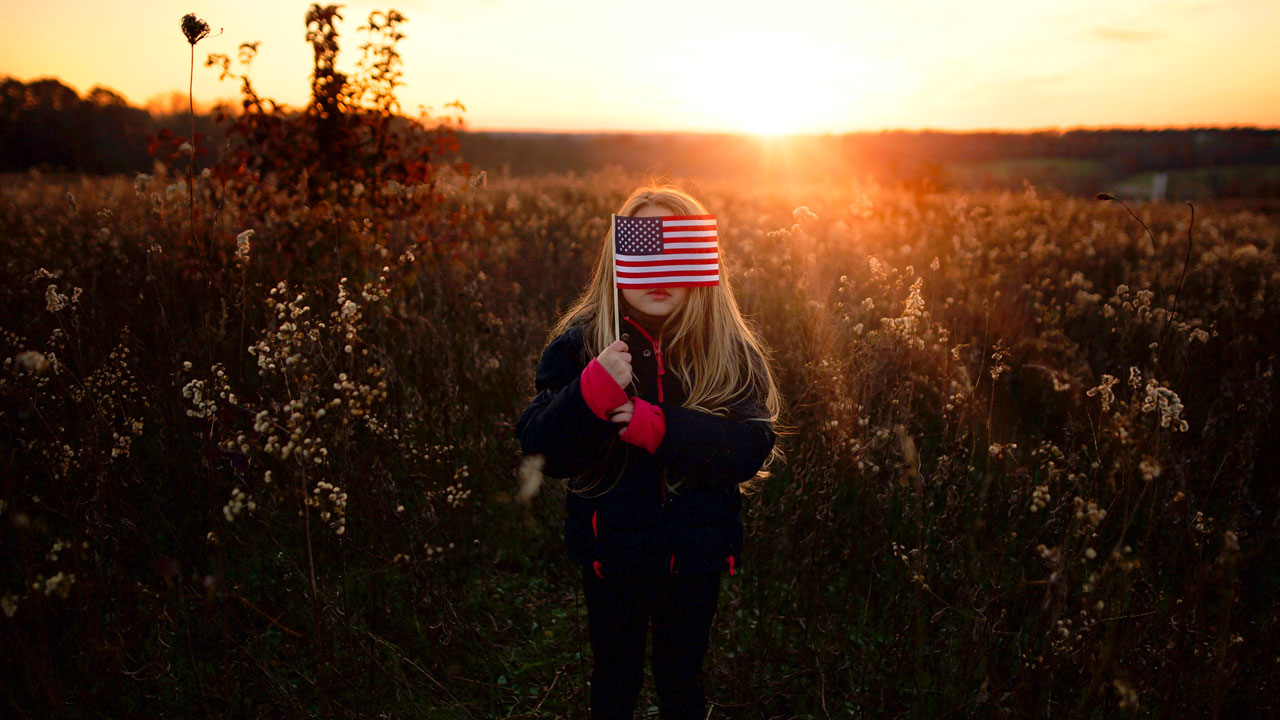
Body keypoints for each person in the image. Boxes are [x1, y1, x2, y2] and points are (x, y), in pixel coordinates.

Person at [516, 183, 782, 719]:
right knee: (614, 677)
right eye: (643, 248)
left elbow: (749, 445)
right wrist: (588, 394)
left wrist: (662, 429)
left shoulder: (726, 349)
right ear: (618, 261)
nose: (661, 272)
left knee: (682, 676)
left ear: (702, 262)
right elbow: (541, 446)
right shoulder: (581, 343)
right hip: (612, 552)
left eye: (677, 252)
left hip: (697, 552)